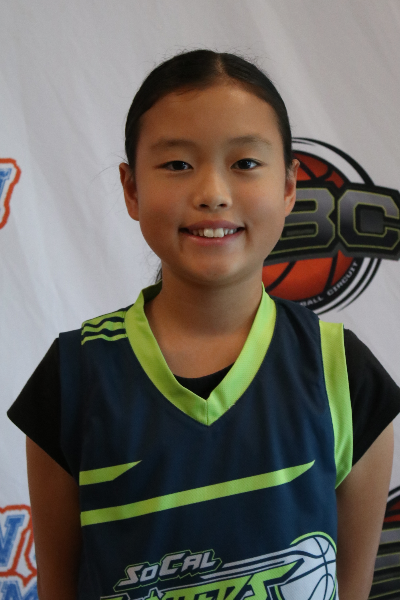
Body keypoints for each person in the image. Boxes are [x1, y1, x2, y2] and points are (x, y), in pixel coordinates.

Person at [7, 50, 400, 600]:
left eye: (245, 163)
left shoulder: (343, 374)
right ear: (131, 188)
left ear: (290, 186)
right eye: (177, 164)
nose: (213, 193)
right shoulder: (73, 378)